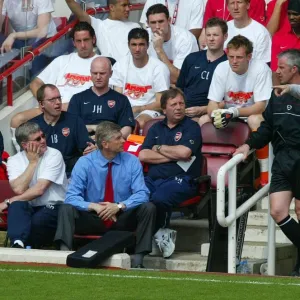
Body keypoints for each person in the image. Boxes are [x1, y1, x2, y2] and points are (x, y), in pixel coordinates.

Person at [233, 49, 300, 276]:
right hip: (283, 160)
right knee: (278, 210)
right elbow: (267, 128)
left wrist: (292, 90)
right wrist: (248, 145)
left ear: (294, 70)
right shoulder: (277, 95)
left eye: (281, 68)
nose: (277, 71)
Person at [54, 121, 156, 268]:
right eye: (118, 138)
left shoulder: (132, 161)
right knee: (66, 208)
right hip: (93, 217)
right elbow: (71, 196)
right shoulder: (84, 163)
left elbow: (142, 193)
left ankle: (138, 260)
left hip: (121, 216)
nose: (123, 140)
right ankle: (64, 255)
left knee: (148, 207)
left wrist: (119, 206)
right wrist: (93, 206)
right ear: (105, 144)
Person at [10, 22, 101, 142]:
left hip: (75, 113)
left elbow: (99, 97)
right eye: (78, 41)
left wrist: (63, 107)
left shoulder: (101, 63)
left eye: (86, 40)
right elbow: (35, 83)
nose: (82, 45)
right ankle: (26, 157)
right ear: (73, 42)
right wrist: (46, 104)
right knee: (17, 120)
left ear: (93, 40)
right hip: (49, 110)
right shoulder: (62, 60)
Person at [139, 88, 202, 259]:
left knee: (160, 197)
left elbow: (184, 153)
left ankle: (162, 232)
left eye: (181, 103)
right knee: (136, 193)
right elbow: (143, 154)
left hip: (182, 179)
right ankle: (147, 235)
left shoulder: (192, 126)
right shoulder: (155, 128)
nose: (179, 107)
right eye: (173, 104)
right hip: (153, 178)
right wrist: (171, 156)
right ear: (164, 109)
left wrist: (158, 148)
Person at [205, 35, 272, 186]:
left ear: (249, 56)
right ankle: (206, 173)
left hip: (253, 114)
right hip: (229, 113)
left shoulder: (261, 69)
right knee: (203, 120)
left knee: (255, 119)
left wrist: (234, 112)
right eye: (231, 57)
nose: (234, 61)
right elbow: (212, 103)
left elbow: (261, 106)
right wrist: (216, 114)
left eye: (239, 57)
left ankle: (264, 175)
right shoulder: (222, 68)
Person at [0, 122, 68, 249]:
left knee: (36, 219)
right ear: (25, 145)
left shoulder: (54, 155)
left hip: (55, 206)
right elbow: (19, 189)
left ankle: (28, 245)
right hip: (30, 207)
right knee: (17, 207)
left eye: (43, 136)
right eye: (37, 139)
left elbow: (40, 189)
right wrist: (33, 163)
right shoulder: (14, 160)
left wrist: (8, 201)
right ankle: (17, 244)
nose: (43, 140)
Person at [30, 84, 96, 177]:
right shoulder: (33, 126)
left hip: (72, 174)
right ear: (41, 104)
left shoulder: (74, 121)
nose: (58, 102)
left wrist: (92, 148)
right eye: (52, 100)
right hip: (43, 175)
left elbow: (87, 147)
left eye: (59, 98)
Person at [110, 28, 170, 128]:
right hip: (125, 109)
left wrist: (139, 108)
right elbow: (117, 96)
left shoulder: (159, 68)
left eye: (141, 44)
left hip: (149, 110)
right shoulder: (120, 65)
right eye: (134, 45)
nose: (137, 49)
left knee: (139, 123)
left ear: (148, 46)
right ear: (128, 45)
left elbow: (161, 103)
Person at [68, 57, 135, 138]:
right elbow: (71, 127)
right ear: (90, 73)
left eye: (102, 73)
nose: (98, 77)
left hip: (111, 145)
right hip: (83, 144)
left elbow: (127, 128)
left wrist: (106, 140)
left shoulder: (121, 100)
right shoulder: (77, 99)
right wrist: (90, 131)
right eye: (95, 73)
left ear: (111, 73)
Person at [176, 17, 228, 122]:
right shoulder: (191, 58)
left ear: (225, 36)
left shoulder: (228, 63)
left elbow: (228, 100)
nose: (211, 39)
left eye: (215, 35)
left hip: (207, 114)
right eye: (208, 35)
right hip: (182, 111)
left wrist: (202, 110)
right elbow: (179, 88)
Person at [65, 0, 140, 61]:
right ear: (112, 7)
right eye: (124, 5)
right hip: (110, 73)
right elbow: (72, 3)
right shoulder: (100, 26)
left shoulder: (136, 26)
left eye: (128, 5)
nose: (128, 9)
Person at [145, 4, 199, 84]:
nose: (157, 26)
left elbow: (176, 79)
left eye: (161, 21)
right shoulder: (145, 37)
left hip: (181, 87)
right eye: (153, 22)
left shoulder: (185, 39)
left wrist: (159, 50)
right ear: (148, 23)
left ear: (169, 20)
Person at [199, 0, 266, 49]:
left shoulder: (260, 32)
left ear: (248, 5)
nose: (235, 7)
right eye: (232, 3)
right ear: (228, 7)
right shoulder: (223, 28)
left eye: (239, 2)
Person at [140, 0, 205, 39]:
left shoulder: (195, 1)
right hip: (156, 42)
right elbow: (147, 26)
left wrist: (179, 43)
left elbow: (195, 29)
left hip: (183, 45)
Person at [270, 0, 300, 78]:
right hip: (284, 87)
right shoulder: (278, 38)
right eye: (289, 14)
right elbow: (275, 71)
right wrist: (276, 89)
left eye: (295, 14)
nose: (291, 17)